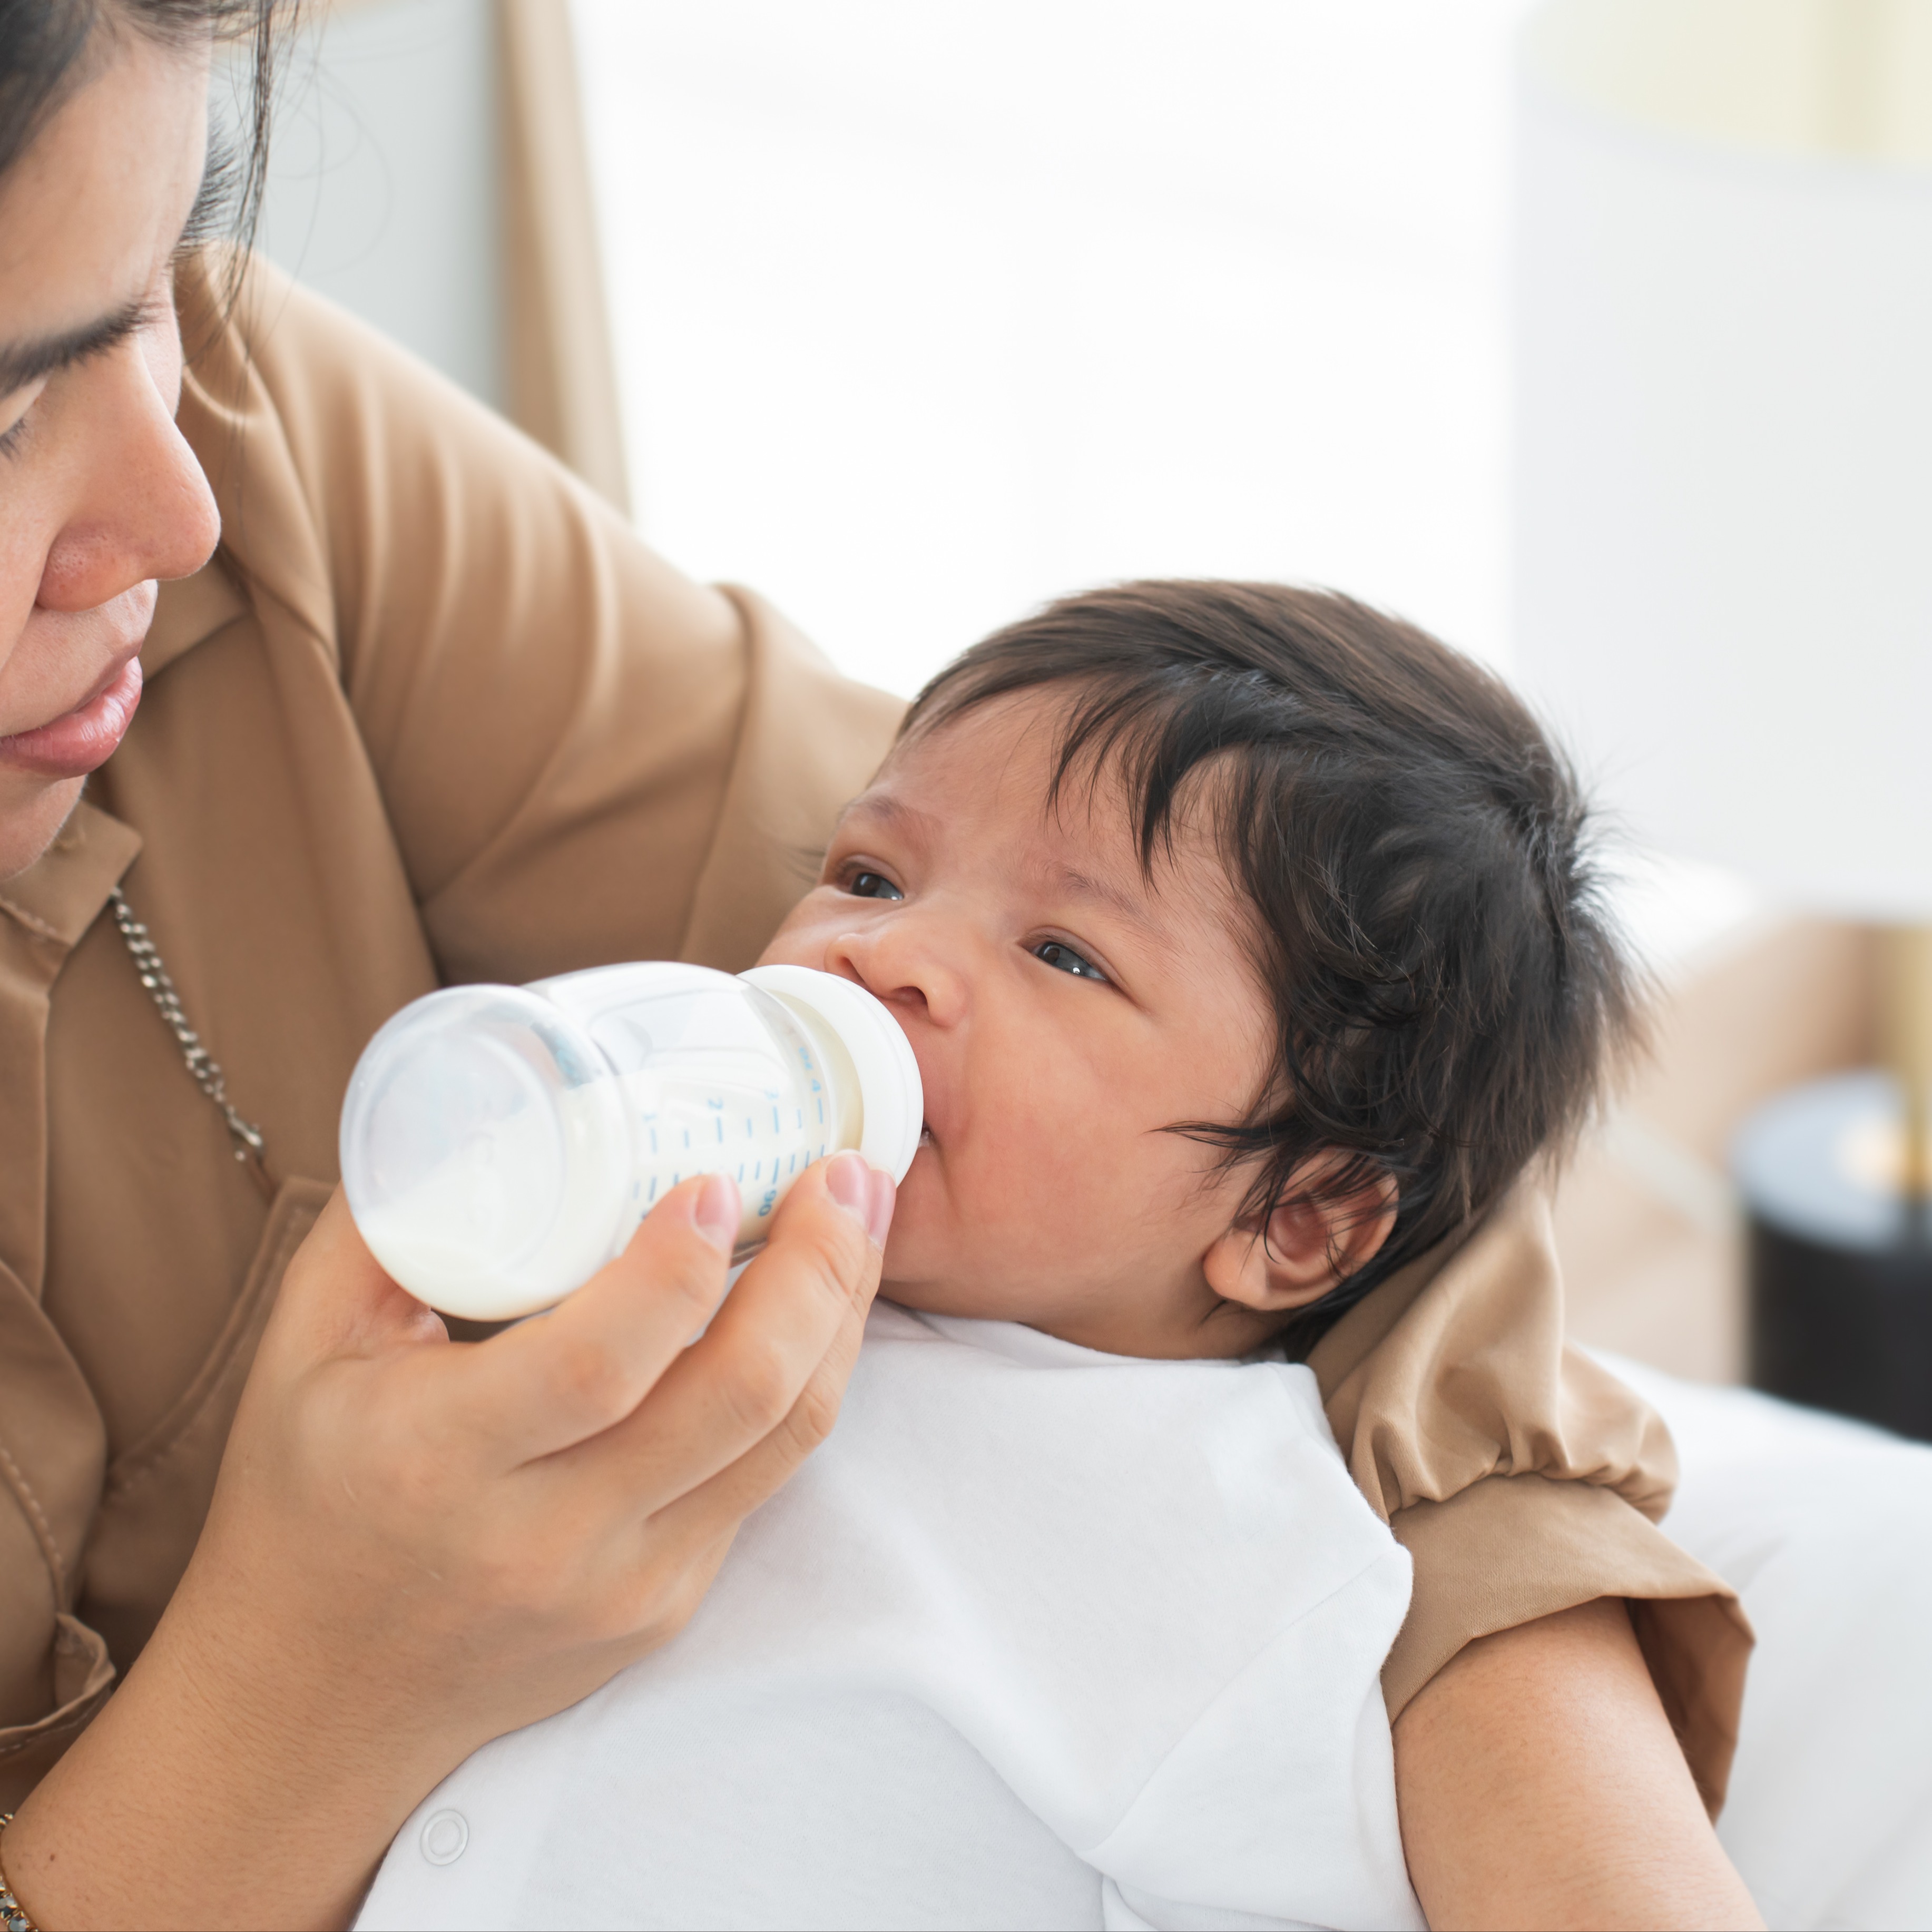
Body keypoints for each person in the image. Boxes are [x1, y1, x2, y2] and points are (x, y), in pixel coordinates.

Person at [0, 5, 1756, 1927]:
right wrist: (305, 1681)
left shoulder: (1225, 1546)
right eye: (856, 877)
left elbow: (1369, 1062)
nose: (183, 508)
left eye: (1062, 953)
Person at [355, 584, 1760, 1931]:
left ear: (1295, 1221)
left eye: (1064, 954)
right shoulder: (670, 1269)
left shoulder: (1252, 1554)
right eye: (867, 871)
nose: (888, 951)